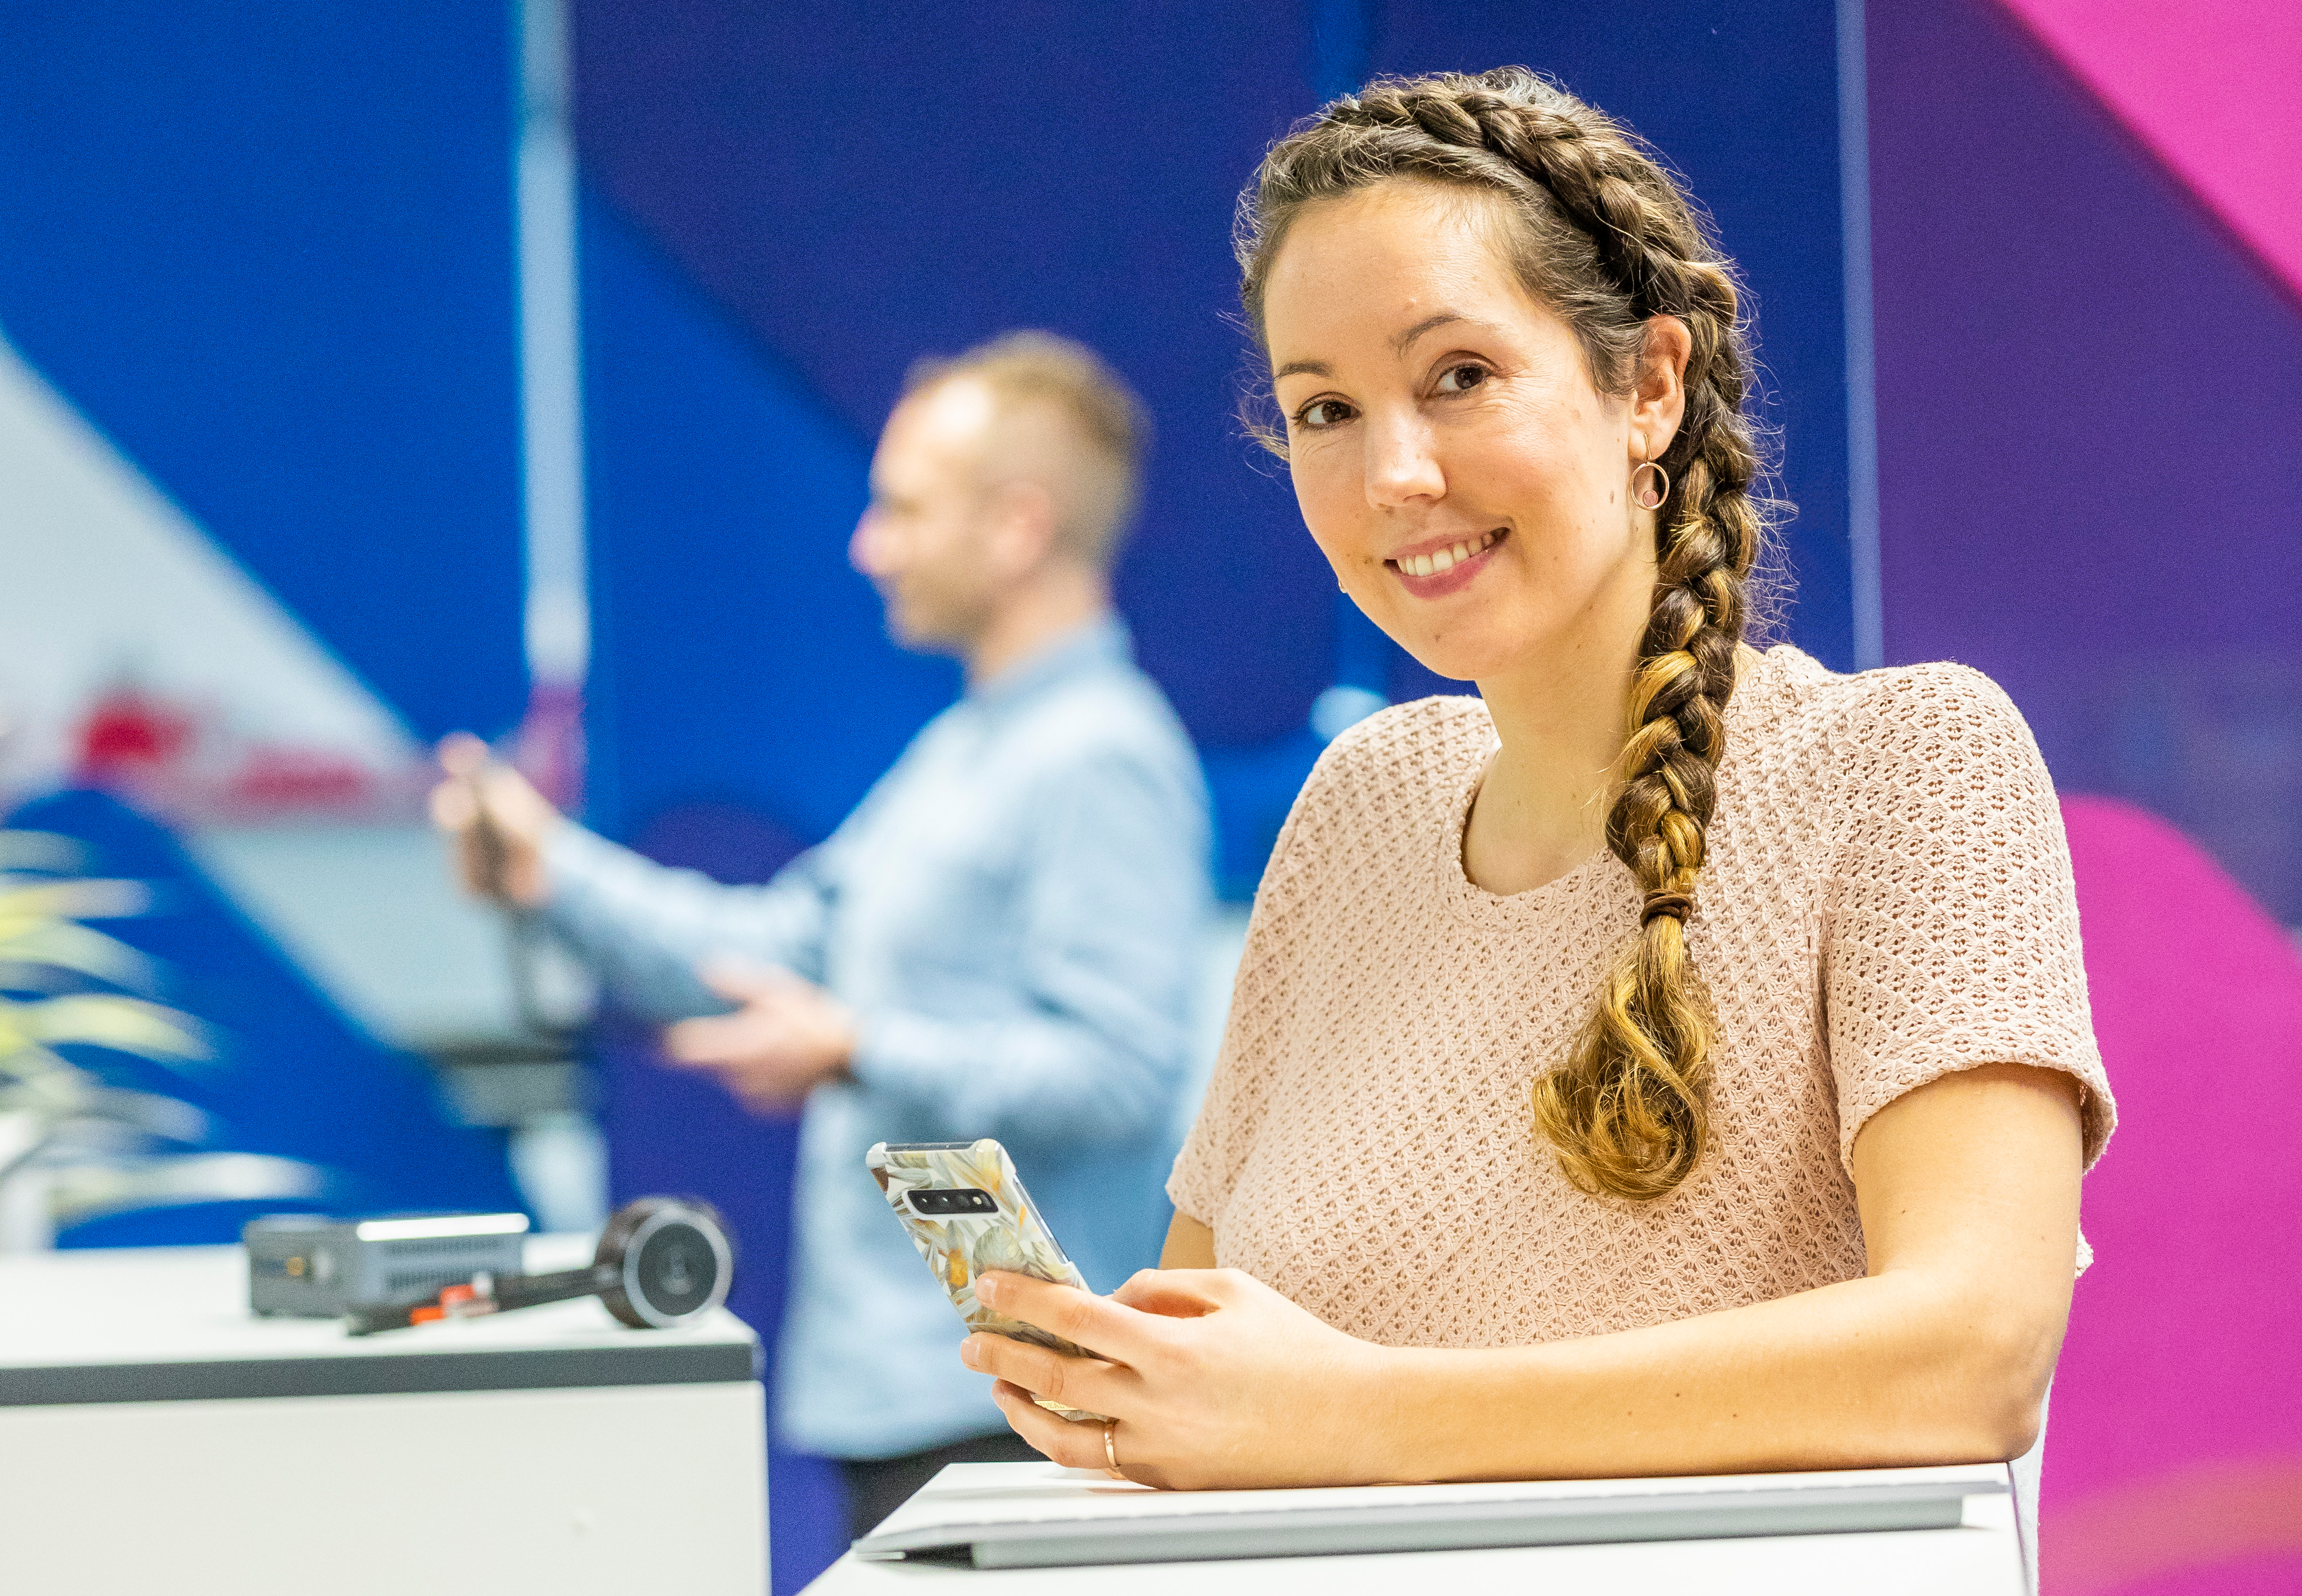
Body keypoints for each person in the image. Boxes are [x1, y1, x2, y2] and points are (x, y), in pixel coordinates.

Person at [960, 67, 2117, 1531]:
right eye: (1326, 409)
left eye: (1459, 376)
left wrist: (1362, 1417)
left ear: (1648, 386)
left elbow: (1974, 1350)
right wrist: (1132, 1387)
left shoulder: (1907, 762)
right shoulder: (1363, 805)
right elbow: (1221, 1331)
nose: (1395, 473)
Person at [431, 332, 1211, 1540]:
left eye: (901, 509)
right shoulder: (964, 755)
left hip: (1012, 1411)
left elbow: (1117, 1074)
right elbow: (776, 948)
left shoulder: (1102, 757)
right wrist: (547, 870)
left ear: (1016, 526)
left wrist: (854, 1047)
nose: (868, 546)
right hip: (913, 1401)